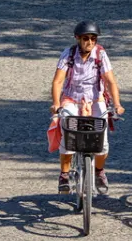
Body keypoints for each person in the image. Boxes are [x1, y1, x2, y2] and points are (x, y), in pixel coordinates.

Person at [50, 21, 125, 195]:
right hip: (71, 98)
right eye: (86, 38)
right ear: (77, 38)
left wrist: (117, 104)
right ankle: (64, 174)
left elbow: (110, 81)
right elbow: (58, 81)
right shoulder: (68, 54)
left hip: (95, 99)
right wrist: (56, 103)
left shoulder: (100, 54)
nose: (90, 42)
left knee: (102, 142)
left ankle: (99, 171)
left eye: (93, 38)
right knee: (68, 133)